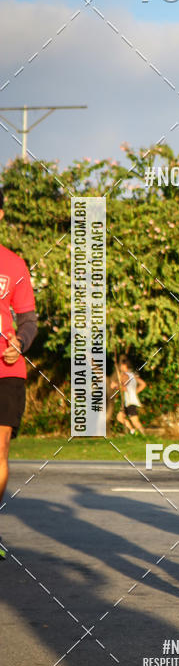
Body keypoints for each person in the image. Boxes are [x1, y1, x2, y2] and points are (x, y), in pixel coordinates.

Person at [0, 189, 38, 559]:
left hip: (7, 369)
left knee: (0, 448)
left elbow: (28, 319)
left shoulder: (13, 264)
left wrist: (20, 343)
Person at [112, 358, 147, 435]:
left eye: (122, 366)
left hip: (130, 402)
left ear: (125, 366)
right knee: (120, 417)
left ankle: (144, 436)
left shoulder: (127, 375)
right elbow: (143, 384)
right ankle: (133, 431)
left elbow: (124, 388)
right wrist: (135, 392)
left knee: (135, 421)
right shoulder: (132, 375)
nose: (121, 367)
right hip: (128, 402)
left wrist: (116, 386)